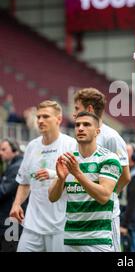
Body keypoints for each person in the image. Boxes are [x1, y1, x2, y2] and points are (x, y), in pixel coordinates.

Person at [49, 111, 122, 252]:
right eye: (77, 125)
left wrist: (77, 173)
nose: (80, 128)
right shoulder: (68, 159)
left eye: (86, 124)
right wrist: (61, 179)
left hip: (98, 239)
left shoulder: (108, 158)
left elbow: (104, 196)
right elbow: (52, 197)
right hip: (70, 240)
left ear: (97, 131)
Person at [10, 100, 76, 252]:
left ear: (58, 119)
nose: (40, 120)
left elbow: (77, 178)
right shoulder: (32, 146)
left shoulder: (70, 145)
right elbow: (24, 181)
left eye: (45, 117)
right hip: (32, 225)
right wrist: (16, 204)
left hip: (60, 225)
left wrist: (53, 175)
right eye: (38, 117)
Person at [73, 88, 130, 251]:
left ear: (89, 109)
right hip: (83, 215)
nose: (74, 114)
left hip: (105, 216)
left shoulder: (111, 137)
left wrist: (107, 196)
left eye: (77, 109)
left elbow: (125, 176)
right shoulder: (79, 135)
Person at [0, 139, 24, 252]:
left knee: (9, 249)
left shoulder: (17, 167)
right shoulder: (12, 165)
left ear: (14, 150)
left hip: (12, 221)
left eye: (4, 149)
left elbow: (4, 190)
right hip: (9, 219)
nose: (0, 152)